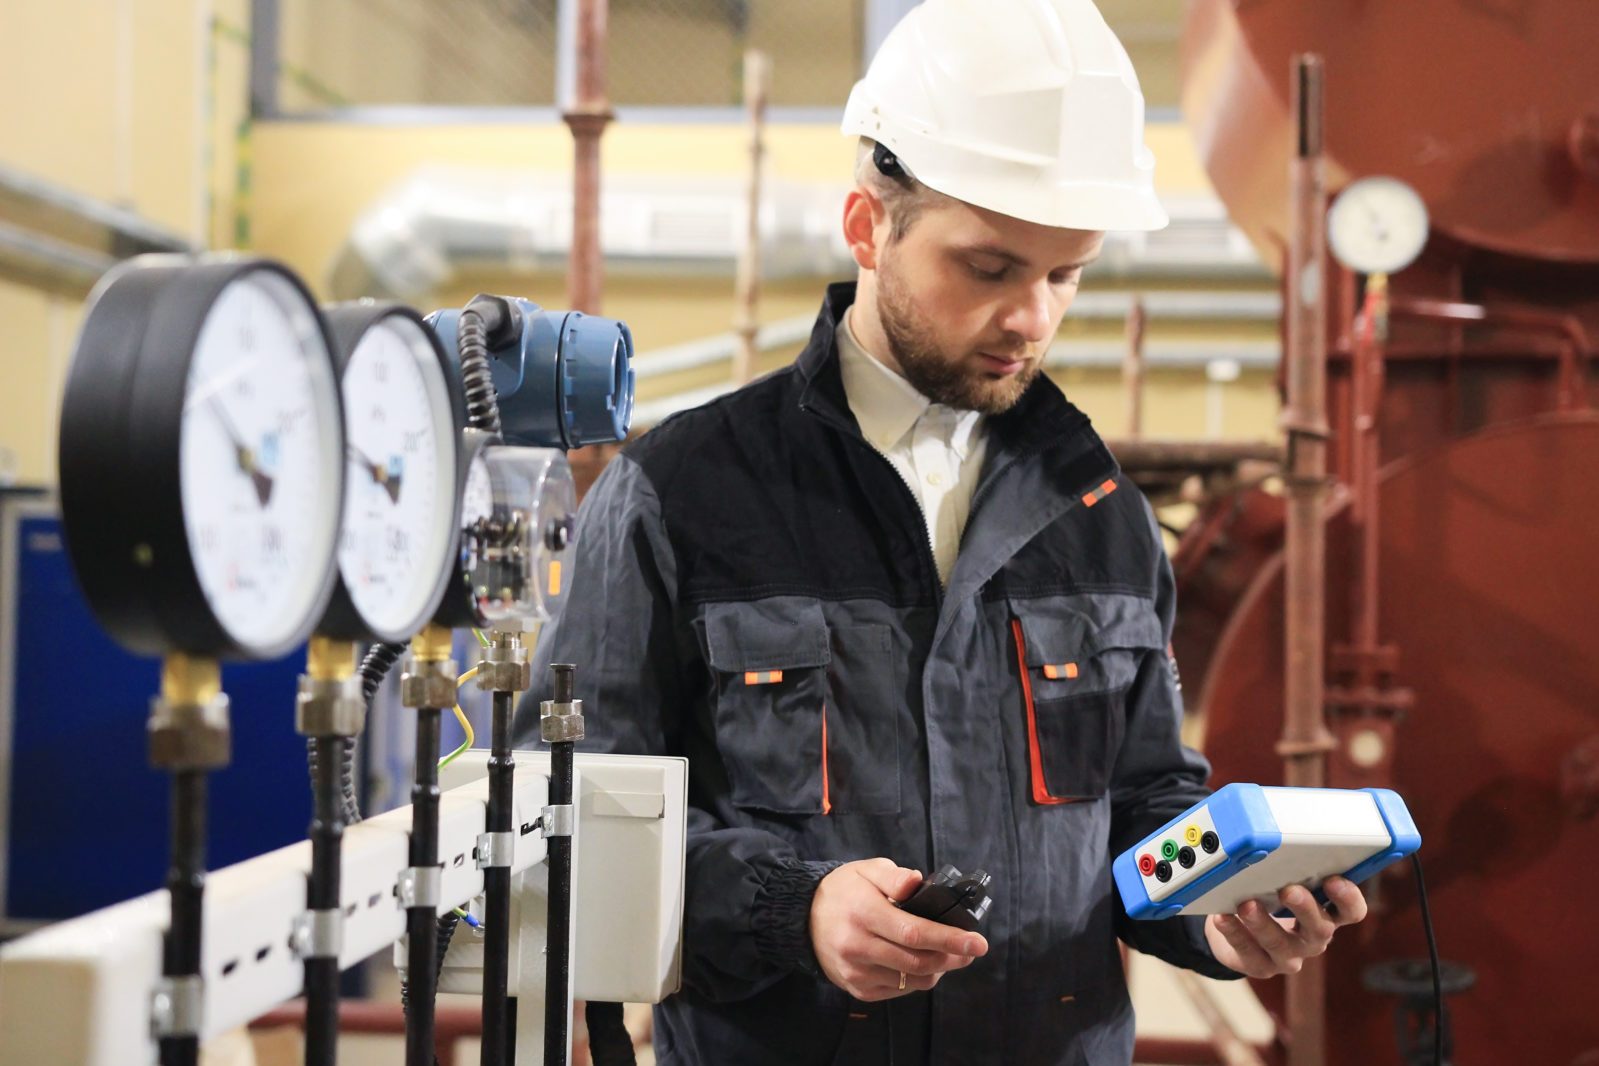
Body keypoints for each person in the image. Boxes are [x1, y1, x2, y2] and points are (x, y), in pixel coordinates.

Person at [517, 1, 1368, 1062]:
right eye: (991, 268)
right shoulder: (684, 493)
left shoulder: (1100, 514)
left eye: (1066, 275)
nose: (1034, 320)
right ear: (870, 226)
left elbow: (1142, 804)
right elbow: (566, 816)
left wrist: (1216, 913)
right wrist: (799, 907)